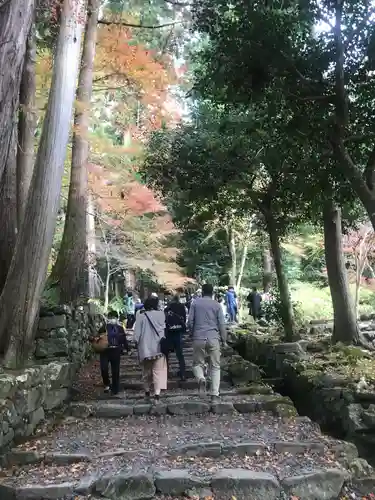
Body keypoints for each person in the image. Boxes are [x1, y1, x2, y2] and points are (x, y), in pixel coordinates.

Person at [188, 283, 227, 402]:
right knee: (215, 366)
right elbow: (221, 324)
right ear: (212, 293)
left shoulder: (195, 303)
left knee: (197, 364)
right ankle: (214, 395)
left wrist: (191, 333)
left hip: (199, 337)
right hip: (213, 337)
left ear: (202, 292)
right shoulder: (217, 305)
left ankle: (201, 378)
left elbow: (190, 321)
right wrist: (224, 340)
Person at [134, 296, 168, 403]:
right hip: (159, 348)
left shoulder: (140, 316)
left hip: (145, 349)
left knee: (146, 372)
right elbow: (163, 329)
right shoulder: (161, 314)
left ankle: (147, 393)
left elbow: (136, 335)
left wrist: (135, 344)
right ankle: (157, 396)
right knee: (158, 372)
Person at [98, 310, 129, 395]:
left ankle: (115, 388)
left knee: (115, 370)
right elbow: (98, 337)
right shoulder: (104, 327)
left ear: (117, 318)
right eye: (111, 318)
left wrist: (127, 349)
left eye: (114, 318)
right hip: (105, 351)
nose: (112, 319)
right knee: (103, 368)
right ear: (108, 318)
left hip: (116, 350)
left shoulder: (120, 328)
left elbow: (124, 339)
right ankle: (107, 383)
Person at [165, 294, 186, 381]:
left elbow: (165, 320)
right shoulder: (182, 307)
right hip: (178, 332)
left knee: (166, 354)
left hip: (169, 332)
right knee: (180, 354)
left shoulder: (168, 308)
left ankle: (166, 373)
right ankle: (183, 373)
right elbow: (184, 319)